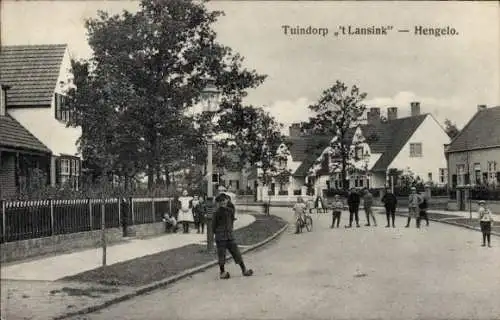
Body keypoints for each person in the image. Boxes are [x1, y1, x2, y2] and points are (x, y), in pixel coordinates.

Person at [213, 193, 254, 279]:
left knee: (237, 253)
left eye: (224, 200)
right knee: (221, 255)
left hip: (229, 236)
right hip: (220, 237)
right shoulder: (216, 213)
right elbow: (213, 226)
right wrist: (217, 233)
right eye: (221, 201)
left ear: (227, 200)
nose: (223, 202)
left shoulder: (230, 210)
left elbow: (231, 219)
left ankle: (244, 270)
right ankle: (222, 272)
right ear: (218, 203)